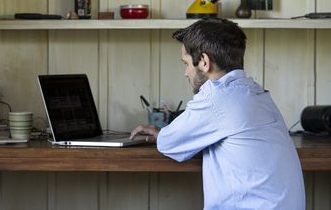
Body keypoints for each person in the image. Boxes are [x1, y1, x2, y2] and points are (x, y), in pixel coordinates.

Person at [130, 18, 305, 209]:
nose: (186, 72)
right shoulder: (254, 91)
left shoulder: (217, 96)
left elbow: (170, 144)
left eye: (186, 63)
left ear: (204, 62)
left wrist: (162, 134)